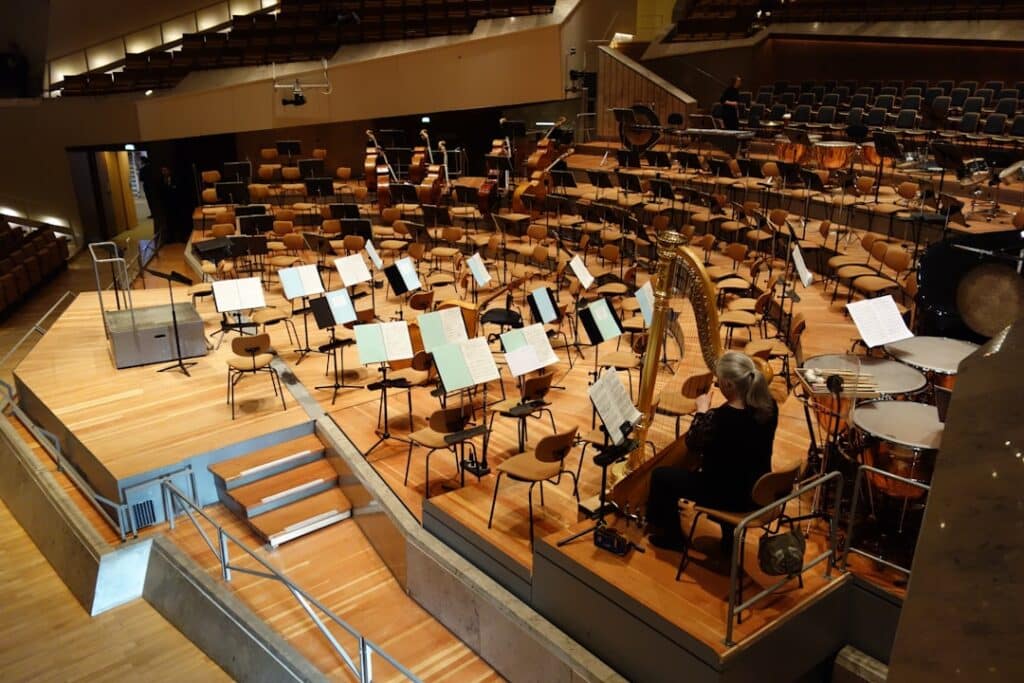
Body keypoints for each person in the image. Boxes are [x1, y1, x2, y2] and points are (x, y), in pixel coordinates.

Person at [646, 351, 779, 551]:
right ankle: (728, 541)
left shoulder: (718, 418)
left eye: (719, 381)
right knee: (733, 469)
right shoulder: (769, 407)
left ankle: (672, 537)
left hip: (728, 496)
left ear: (730, 385)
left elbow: (692, 443)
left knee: (661, 476)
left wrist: (701, 409)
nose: (717, 383)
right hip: (759, 490)